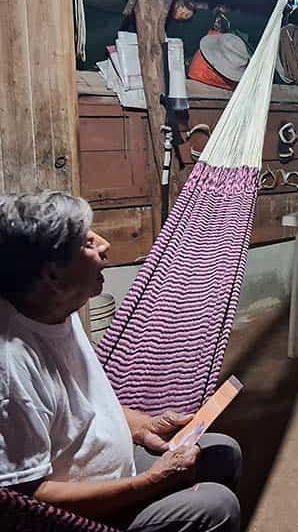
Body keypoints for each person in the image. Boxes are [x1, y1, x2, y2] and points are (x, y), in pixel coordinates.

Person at [0, 191, 242, 531]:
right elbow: (29, 502)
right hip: (83, 515)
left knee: (221, 451)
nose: (104, 245)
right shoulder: (11, 366)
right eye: (87, 242)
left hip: (113, 469)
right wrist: (150, 484)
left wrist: (144, 427)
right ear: (52, 276)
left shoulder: (55, 311)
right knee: (217, 505)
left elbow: (81, 412)